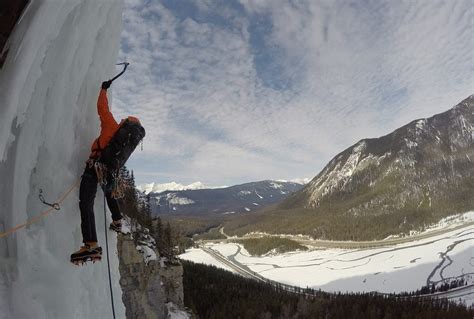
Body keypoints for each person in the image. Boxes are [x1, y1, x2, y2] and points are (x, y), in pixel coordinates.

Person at [70, 80, 123, 264]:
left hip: (95, 166)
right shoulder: (124, 145)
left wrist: (103, 89)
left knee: (86, 203)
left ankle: (90, 244)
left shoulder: (112, 126)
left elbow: (102, 108)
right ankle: (117, 220)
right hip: (108, 170)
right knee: (108, 192)